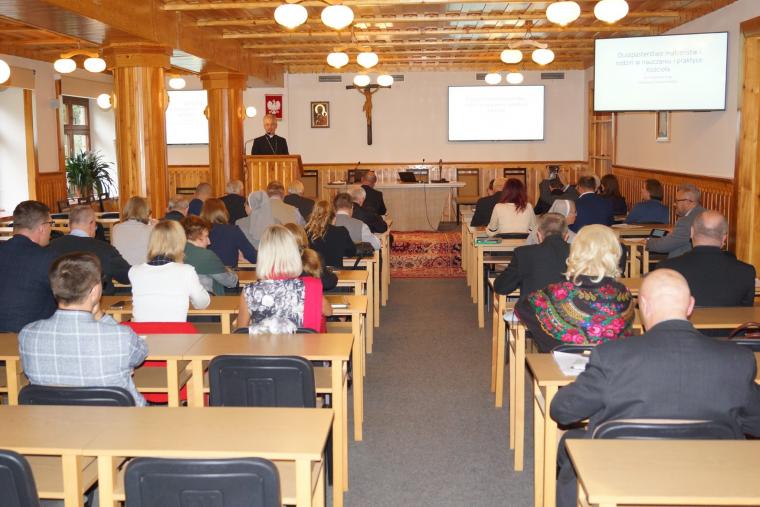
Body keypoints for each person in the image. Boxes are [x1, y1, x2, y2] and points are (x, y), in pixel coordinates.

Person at [550, 269, 760, 507]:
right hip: (715, 481)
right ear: (690, 305)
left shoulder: (612, 356)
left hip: (620, 479)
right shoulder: (736, 360)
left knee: (571, 445)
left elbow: (563, 411)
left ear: (644, 306)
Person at [19, 252, 148, 406]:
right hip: (114, 419)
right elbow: (140, 354)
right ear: (95, 291)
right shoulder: (121, 337)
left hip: (51, 419)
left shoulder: (28, 335)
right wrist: (102, 317)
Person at [516, 224, 634, 352]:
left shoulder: (557, 293)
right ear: (615, 254)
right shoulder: (624, 293)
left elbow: (522, 309)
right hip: (614, 362)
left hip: (563, 362)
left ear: (575, 251)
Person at [237, 225, 327, 334]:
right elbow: (325, 314)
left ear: (262, 255)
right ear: (293, 253)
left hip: (262, 345)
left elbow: (241, 333)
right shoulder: (311, 286)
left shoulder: (249, 291)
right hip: (302, 345)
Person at [656, 210, 755, 306]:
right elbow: (745, 311)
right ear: (724, 237)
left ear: (691, 232)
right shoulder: (746, 272)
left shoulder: (667, 268)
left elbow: (661, 307)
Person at [128, 220, 210, 322]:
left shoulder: (134, 271)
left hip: (142, 331)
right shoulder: (186, 271)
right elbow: (202, 303)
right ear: (180, 242)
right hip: (174, 331)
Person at [0, 200, 57, 332]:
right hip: (32, 337)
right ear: (42, 227)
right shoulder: (48, 258)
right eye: (50, 224)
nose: (51, 229)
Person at [49, 205, 131, 295]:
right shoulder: (105, 249)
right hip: (100, 300)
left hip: (61, 300)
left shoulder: (51, 246)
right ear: (92, 224)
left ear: (69, 224)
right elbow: (126, 277)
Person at [494, 213, 570, 301]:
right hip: (572, 309)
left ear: (539, 235)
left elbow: (501, 287)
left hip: (534, 309)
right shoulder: (579, 254)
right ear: (566, 236)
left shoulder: (523, 253)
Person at [182, 216, 239, 295]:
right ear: (197, 237)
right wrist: (228, 270)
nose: (209, 242)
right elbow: (231, 282)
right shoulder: (206, 256)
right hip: (209, 300)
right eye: (206, 236)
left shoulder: (175, 252)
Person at [648, 183, 706, 258]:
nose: (674, 204)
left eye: (677, 201)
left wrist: (647, 242)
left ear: (688, 201)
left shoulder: (686, 221)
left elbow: (665, 245)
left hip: (682, 262)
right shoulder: (706, 214)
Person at [201, 198, 257, 268]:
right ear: (224, 212)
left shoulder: (198, 231)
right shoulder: (233, 231)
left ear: (203, 213)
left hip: (202, 273)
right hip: (228, 273)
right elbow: (253, 257)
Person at [284, 223, 338, 291]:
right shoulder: (313, 258)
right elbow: (328, 282)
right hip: (310, 296)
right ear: (304, 238)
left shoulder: (277, 260)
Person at [305, 200, 357, 268]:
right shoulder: (342, 231)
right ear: (334, 217)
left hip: (315, 272)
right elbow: (352, 252)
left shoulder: (307, 232)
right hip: (336, 272)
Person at [111, 196, 154, 266]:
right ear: (146, 212)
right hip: (143, 270)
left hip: (122, 270)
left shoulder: (116, 228)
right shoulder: (151, 229)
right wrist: (157, 227)